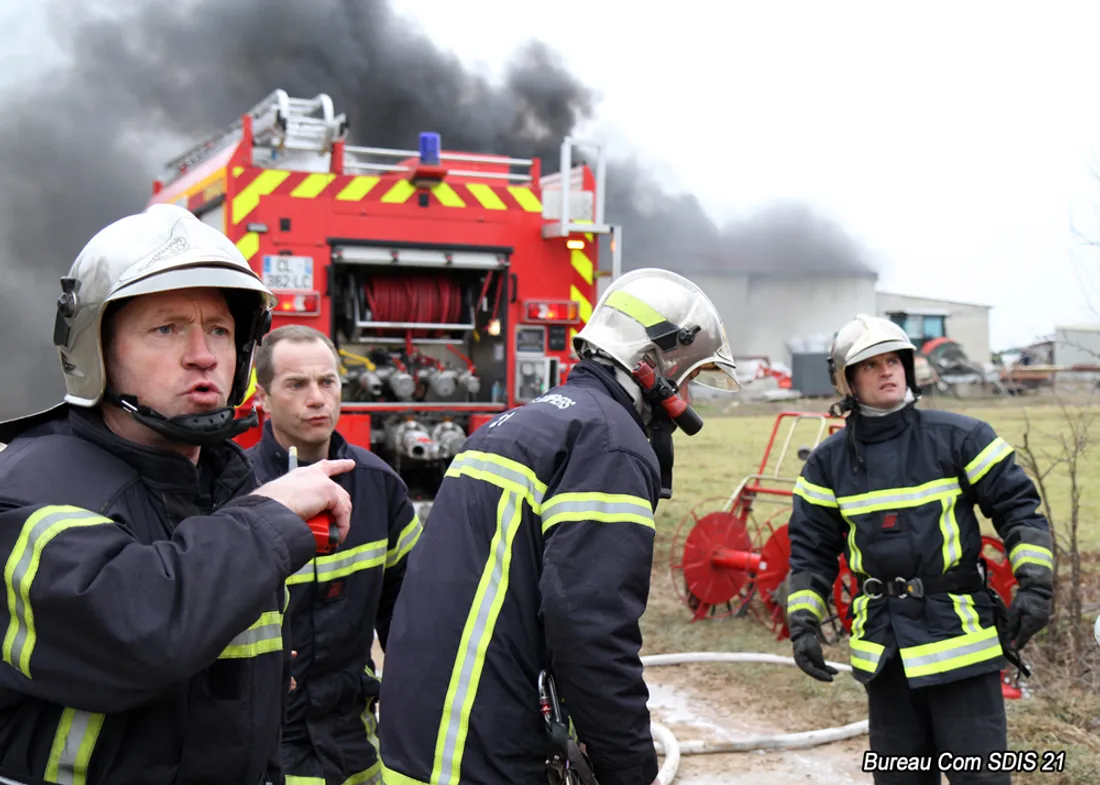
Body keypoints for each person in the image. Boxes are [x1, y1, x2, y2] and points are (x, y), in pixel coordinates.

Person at [0, 204, 357, 785]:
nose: (203, 355)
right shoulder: (28, 491)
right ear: (95, 351)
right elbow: (139, 631)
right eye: (166, 329)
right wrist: (268, 518)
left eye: (218, 329)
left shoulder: (225, 481)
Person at [377, 268, 741, 785]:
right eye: (688, 377)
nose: (686, 395)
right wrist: (630, 769)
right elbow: (592, 633)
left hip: (418, 736)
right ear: (654, 365)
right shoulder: (609, 444)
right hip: (480, 751)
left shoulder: (514, 425)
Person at [785, 314, 1054, 785]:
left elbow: (1020, 510)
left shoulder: (960, 437)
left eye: (894, 361)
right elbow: (810, 550)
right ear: (847, 381)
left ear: (909, 368)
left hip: (961, 646)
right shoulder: (827, 465)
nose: (887, 371)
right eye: (871, 366)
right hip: (886, 655)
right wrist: (803, 620)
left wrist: (1035, 585)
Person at [247, 324, 421, 785]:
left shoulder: (380, 488)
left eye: (327, 382)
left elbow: (413, 623)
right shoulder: (238, 493)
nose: (317, 398)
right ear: (262, 398)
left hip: (353, 741)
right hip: (265, 746)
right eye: (296, 384)